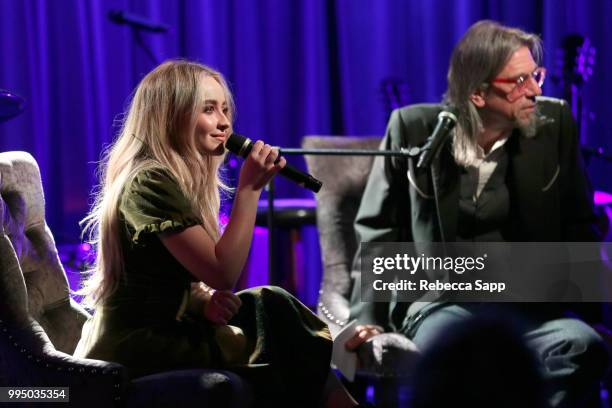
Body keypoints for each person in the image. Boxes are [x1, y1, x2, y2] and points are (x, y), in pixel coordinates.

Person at [345, 20, 608, 407]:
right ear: (478, 93)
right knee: (461, 360)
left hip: (529, 309)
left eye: (537, 75)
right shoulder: (413, 129)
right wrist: (366, 318)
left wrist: (595, 310)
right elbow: (377, 228)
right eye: (519, 81)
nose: (535, 90)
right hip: (441, 305)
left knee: (584, 345)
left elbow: (580, 224)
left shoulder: (555, 127)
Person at [74, 60, 360, 407]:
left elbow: (162, 273)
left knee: (269, 304)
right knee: (283, 337)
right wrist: (249, 191)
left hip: (167, 327)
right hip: (139, 342)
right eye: (208, 109)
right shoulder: (148, 181)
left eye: (225, 109)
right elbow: (223, 272)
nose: (224, 123)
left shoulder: (172, 179)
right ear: (171, 115)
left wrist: (202, 302)